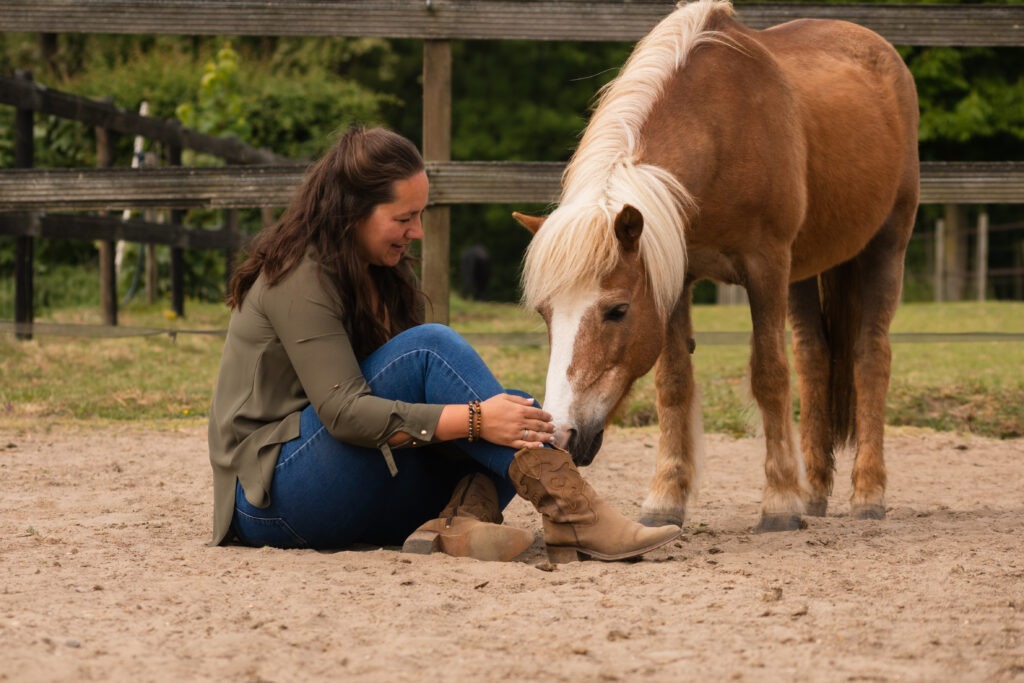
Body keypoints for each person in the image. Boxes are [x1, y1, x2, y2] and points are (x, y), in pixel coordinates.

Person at [207, 125, 681, 563]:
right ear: (353, 213)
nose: (416, 231)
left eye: (420, 216)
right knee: (434, 356)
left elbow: (413, 416)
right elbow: (345, 414)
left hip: (363, 490)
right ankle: (577, 516)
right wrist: (476, 419)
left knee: (520, 410)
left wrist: (490, 418)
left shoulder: (385, 272)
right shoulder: (299, 276)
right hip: (272, 496)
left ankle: (459, 523)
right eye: (404, 218)